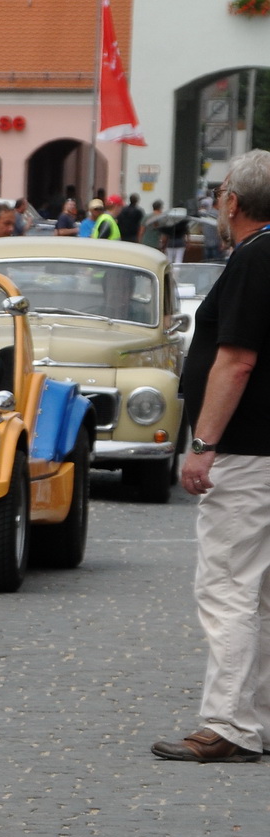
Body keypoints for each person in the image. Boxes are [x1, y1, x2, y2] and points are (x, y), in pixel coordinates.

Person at [153, 152, 270, 763]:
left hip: (249, 451)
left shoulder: (255, 257)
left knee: (228, 587)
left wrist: (203, 443)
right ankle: (255, 720)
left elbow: (236, 359)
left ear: (232, 202)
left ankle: (229, 724)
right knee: (263, 593)